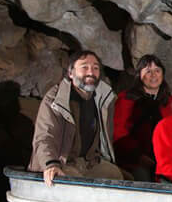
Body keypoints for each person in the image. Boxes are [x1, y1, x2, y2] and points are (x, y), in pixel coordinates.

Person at [29, 50, 123, 186]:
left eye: (95, 68)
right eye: (84, 67)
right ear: (71, 73)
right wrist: (50, 163)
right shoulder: (56, 99)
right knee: (75, 184)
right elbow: (45, 135)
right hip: (63, 161)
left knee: (116, 176)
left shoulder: (103, 98)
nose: (91, 72)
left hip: (89, 162)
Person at [113, 54, 172, 180]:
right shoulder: (127, 99)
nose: (153, 75)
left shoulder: (171, 102)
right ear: (139, 75)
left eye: (157, 71)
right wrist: (139, 156)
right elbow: (119, 133)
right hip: (135, 159)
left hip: (167, 160)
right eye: (148, 71)